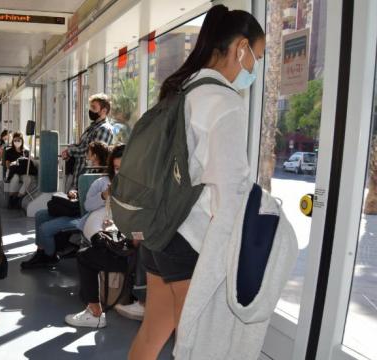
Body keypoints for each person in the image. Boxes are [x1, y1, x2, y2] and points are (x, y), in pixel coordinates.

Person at [127, 6, 264, 359]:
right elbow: (231, 193)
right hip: (190, 241)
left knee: (153, 332)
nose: (254, 68)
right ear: (240, 48)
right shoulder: (225, 103)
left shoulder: (183, 88)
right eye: (256, 57)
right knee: (199, 347)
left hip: (160, 232)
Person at [64, 145, 128, 328]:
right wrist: (104, 195)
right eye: (116, 168)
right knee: (97, 244)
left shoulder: (136, 188)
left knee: (87, 255)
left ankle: (94, 311)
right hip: (101, 221)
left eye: (124, 168)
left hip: (123, 234)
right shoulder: (101, 183)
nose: (120, 173)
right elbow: (88, 205)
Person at [21, 141, 110, 270]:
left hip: (83, 215)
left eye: (88, 152)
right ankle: (40, 252)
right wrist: (75, 192)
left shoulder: (102, 177)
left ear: (95, 155)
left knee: (45, 228)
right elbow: (85, 193)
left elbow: (93, 203)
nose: (86, 155)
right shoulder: (88, 172)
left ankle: (49, 256)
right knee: (40, 215)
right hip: (76, 209)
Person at [61, 94, 114, 190]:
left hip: (88, 176)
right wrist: (69, 149)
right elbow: (81, 145)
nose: (91, 111)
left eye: (94, 108)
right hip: (78, 172)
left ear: (104, 111)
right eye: (91, 107)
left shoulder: (104, 129)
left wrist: (70, 151)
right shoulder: (92, 127)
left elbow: (93, 152)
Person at [4, 132, 31, 208]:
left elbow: (28, 163)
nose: (17, 142)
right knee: (15, 178)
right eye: (15, 140)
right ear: (13, 141)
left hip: (22, 172)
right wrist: (14, 163)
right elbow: (7, 165)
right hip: (12, 171)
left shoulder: (25, 152)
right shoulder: (9, 151)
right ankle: (11, 198)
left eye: (19, 140)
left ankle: (18, 198)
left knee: (28, 179)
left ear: (22, 141)